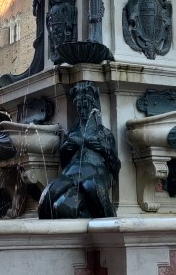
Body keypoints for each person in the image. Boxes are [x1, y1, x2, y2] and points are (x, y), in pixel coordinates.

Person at [38, 81, 120, 219]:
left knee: (91, 187)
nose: (83, 111)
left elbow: (115, 166)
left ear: (93, 106)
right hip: (70, 175)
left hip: (94, 174)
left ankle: (109, 219)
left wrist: (103, 148)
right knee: (48, 194)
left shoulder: (104, 134)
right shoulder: (71, 134)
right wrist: (66, 150)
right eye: (80, 107)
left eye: (86, 107)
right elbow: (63, 163)